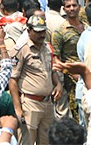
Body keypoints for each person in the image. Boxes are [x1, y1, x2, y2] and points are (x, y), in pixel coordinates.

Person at [10, 16, 60, 145]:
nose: (41, 35)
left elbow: (51, 70)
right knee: (28, 141)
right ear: (29, 31)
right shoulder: (21, 49)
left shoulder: (47, 47)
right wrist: (18, 108)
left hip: (48, 103)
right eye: (37, 32)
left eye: (43, 31)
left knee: (47, 141)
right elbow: (13, 80)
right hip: (30, 103)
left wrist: (58, 84)